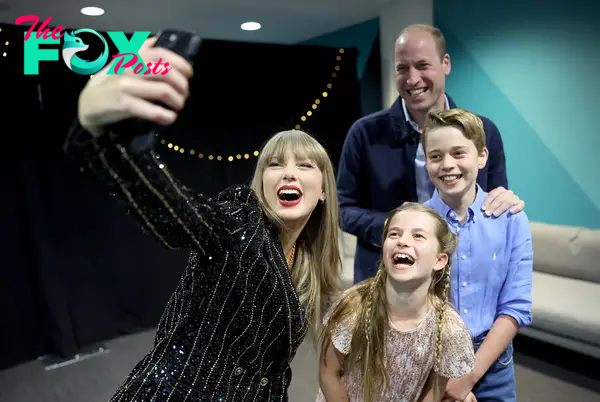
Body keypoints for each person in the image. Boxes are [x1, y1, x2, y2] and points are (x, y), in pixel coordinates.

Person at [64, 37, 343, 401]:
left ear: (323, 190)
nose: (288, 174)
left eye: (304, 165)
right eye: (275, 165)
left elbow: (269, 372)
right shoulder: (239, 219)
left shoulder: (305, 262)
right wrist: (95, 131)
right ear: (261, 182)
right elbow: (176, 214)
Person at [336, 23, 525, 283]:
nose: (412, 79)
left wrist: (505, 201)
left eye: (422, 65)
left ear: (445, 63)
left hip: (463, 280)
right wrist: (400, 229)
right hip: (383, 280)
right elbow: (342, 209)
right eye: (402, 68)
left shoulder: (485, 132)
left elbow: (494, 202)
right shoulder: (363, 133)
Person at [422, 108, 533, 402]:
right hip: (430, 362)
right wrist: (445, 378)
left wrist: (469, 376)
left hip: (494, 365)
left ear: (482, 156)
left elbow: (516, 307)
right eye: (436, 156)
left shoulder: (512, 220)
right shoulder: (415, 222)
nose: (448, 165)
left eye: (459, 153)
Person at [317, 202, 478, 402]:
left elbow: (434, 393)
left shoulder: (449, 328)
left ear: (440, 260)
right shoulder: (354, 306)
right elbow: (328, 374)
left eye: (418, 236)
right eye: (394, 234)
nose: (402, 241)